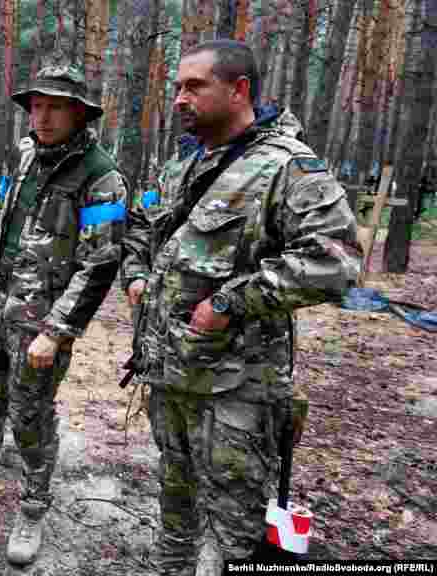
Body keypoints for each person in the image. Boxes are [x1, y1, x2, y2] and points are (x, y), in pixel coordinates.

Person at [120, 40, 361, 574]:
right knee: (174, 489)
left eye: (194, 86)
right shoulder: (184, 165)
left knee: (233, 518)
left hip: (236, 387)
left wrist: (230, 301)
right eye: (177, 87)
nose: (180, 99)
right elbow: (141, 226)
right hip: (169, 368)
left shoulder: (287, 169)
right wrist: (136, 275)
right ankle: (171, 562)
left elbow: (337, 263)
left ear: (239, 90)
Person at [0, 63, 128, 565]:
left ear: (79, 112)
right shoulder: (22, 154)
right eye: (36, 105)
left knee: (31, 416)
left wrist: (58, 333)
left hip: (39, 322)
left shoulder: (102, 176)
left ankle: (34, 507)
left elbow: (99, 265)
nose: (42, 115)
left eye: (55, 105)